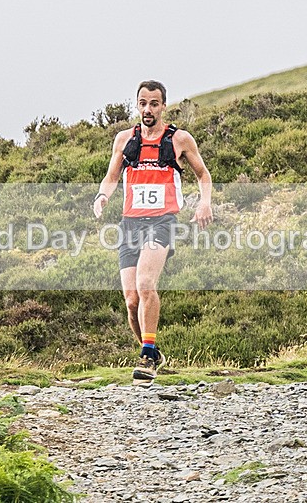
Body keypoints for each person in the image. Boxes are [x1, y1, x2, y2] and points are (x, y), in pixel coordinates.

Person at [93, 80, 212, 385]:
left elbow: (203, 175)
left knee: (146, 284)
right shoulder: (124, 139)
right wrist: (102, 196)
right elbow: (110, 177)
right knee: (132, 301)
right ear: (137, 105)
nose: (148, 109)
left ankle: (147, 357)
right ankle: (151, 350)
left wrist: (204, 203)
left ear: (163, 106)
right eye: (143, 103)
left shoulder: (180, 139)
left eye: (154, 104)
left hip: (162, 221)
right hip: (130, 223)